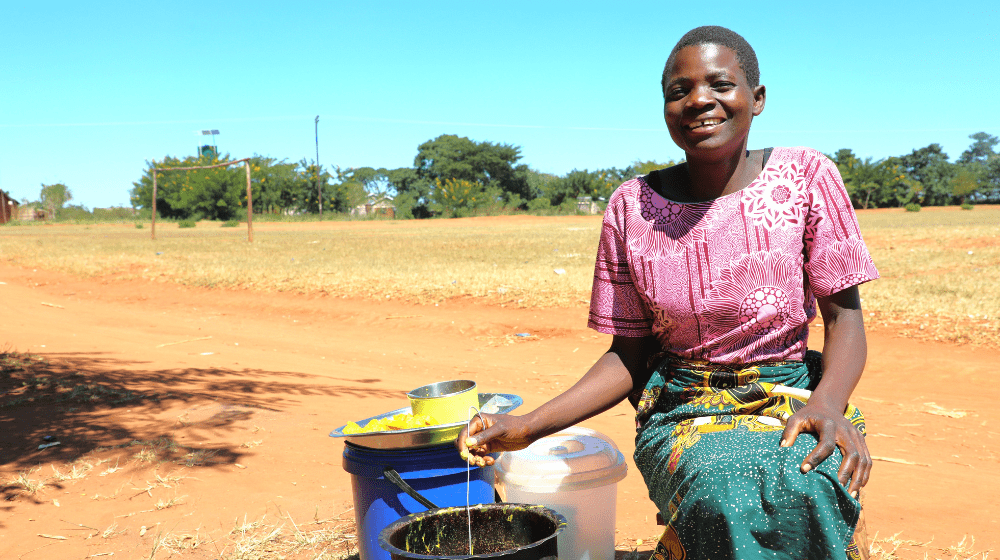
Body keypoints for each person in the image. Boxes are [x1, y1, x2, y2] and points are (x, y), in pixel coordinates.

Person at [458, 25, 878, 560]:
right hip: (683, 410)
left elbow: (846, 321)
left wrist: (828, 403)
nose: (700, 100)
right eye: (679, 91)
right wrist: (528, 425)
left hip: (793, 395)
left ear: (758, 99)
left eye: (721, 85)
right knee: (723, 484)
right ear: (665, 110)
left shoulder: (807, 177)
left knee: (809, 479)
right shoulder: (631, 206)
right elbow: (628, 356)